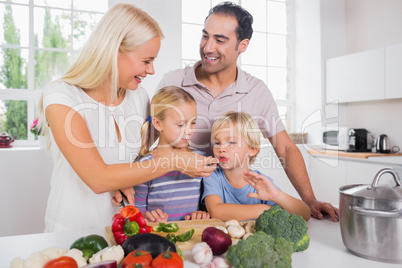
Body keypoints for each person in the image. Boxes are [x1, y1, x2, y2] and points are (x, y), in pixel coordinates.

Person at [39, 3, 217, 232]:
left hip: (126, 232)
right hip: (71, 232)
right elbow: (98, 178)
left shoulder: (138, 98)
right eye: (146, 61)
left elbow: (143, 159)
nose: (152, 70)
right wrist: (175, 161)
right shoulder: (62, 97)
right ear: (114, 51)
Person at [157, 1, 339, 222]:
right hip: (173, 207)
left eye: (220, 40)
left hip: (227, 211)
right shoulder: (173, 82)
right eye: (205, 36)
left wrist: (309, 201)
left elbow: (285, 148)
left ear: (242, 45)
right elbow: (146, 143)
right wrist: (123, 183)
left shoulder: (256, 91)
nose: (207, 47)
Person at [202, 112, 311, 222]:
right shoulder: (212, 175)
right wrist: (263, 210)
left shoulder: (260, 182)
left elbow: (305, 214)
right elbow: (216, 211)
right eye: (217, 143)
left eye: (231, 142)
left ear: (252, 149)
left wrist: (277, 195)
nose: (221, 148)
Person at [134, 86, 211, 222]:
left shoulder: (201, 160)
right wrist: (148, 218)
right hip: (158, 238)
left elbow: (208, 204)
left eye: (193, 122)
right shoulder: (144, 165)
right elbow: (136, 215)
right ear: (158, 123)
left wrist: (202, 213)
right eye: (181, 125)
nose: (189, 131)